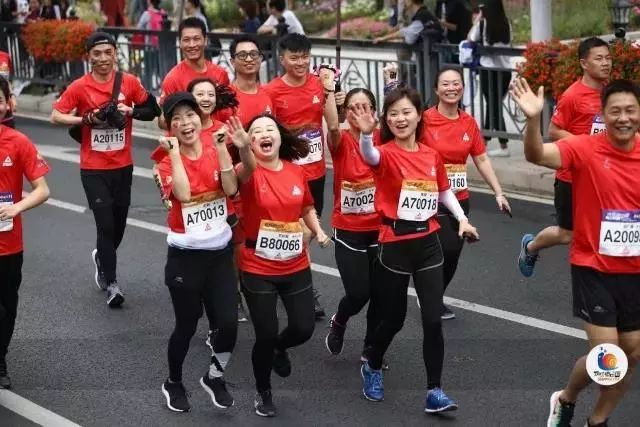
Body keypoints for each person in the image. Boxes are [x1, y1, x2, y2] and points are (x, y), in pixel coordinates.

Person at [510, 76, 640, 427]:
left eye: (631, 110)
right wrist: (533, 119)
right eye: (616, 111)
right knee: (609, 357)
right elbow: (536, 154)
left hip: (635, 273)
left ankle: (586, 412)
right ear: (604, 114)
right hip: (593, 267)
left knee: (630, 354)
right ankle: (577, 408)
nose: (623, 118)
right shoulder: (585, 148)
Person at [354, 87, 479, 412]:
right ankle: (373, 362)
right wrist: (367, 135)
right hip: (395, 245)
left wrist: (462, 219)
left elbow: (443, 192)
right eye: (393, 113)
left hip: (428, 243)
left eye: (406, 112)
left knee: (432, 320)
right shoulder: (385, 152)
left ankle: (434, 391)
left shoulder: (430, 154)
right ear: (386, 119)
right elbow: (370, 155)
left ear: (419, 115)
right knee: (393, 320)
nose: (400, 118)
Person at [225, 113, 330, 417]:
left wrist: (319, 230)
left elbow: (307, 206)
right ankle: (263, 391)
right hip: (257, 265)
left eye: (270, 129)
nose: (264, 135)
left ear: (280, 136)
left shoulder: (296, 172)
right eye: (256, 132)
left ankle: (279, 348)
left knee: (303, 328)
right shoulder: (246, 171)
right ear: (251, 142)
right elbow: (242, 170)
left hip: (294, 262)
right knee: (266, 331)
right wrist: (244, 148)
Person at [50, 32, 160, 307]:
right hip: (93, 168)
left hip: (123, 166)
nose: (102, 59)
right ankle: (112, 283)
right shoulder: (80, 86)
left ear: (115, 54)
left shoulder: (129, 82)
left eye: (107, 53)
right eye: (96, 54)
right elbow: (55, 115)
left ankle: (101, 256)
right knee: (106, 225)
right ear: (89, 56)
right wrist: (85, 118)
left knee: (119, 226)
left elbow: (153, 109)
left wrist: (130, 111)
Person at [155, 92, 250, 413]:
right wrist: (177, 153)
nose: (185, 123)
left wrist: (230, 148)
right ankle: (174, 381)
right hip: (185, 257)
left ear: (200, 118)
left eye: (190, 115)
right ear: (170, 127)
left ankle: (214, 376)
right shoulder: (166, 160)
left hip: (220, 254)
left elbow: (231, 188)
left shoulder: (215, 147)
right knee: (187, 324)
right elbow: (181, 193)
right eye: (177, 119)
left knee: (228, 324)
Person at [518, 37, 612, 278]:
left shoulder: (611, 93)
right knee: (567, 233)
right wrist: (586, 147)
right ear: (584, 63)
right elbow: (553, 131)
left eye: (608, 58)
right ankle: (530, 247)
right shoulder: (573, 95)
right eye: (599, 58)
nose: (605, 63)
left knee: (610, 225)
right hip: (572, 177)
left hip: (602, 176)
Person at [263, 33, 341, 319]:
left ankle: (284, 281)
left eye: (305, 57)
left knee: (304, 234)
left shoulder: (318, 84)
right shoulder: (272, 91)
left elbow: (333, 124)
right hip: (288, 174)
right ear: (282, 59)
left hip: (317, 172)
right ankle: (303, 290)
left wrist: (331, 90)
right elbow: (264, 131)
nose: (301, 62)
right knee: (301, 231)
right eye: (294, 57)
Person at [422, 67, 510, 319]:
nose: (451, 88)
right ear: (436, 90)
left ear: (462, 87)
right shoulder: (424, 120)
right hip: (430, 197)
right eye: (445, 84)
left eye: (456, 83)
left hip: (459, 199)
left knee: (453, 256)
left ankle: (434, 296)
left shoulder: (468, 122)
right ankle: (430, 298)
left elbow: (481, 159)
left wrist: (498, 192)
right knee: (444, 249)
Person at [324, 87, 384, 365]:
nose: (360, 112)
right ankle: (340, 320)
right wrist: (328, 93)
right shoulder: (341, 140)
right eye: (353, 107)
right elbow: (333, 126)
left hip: (381, 228)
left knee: (381, 294)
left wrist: (391, 86)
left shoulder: (383, 139)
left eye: (365, 107)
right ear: (346, 112)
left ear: (374, 111)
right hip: (349, 229)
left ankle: (372, 349)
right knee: (359, 293)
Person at [0, 76, 50, 390]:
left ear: (7, 104)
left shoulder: (17, 143)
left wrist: (16, 208)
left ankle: (0, 356)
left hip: (8, 245)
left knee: (7, 308)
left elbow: (42, 190)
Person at [159, 17, 230, 127]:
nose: (192, 45)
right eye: (186, 40)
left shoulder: (220, 74)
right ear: (180, 42)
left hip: (216, 140)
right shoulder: (172, 79)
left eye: (196, 39)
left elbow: (227, 113)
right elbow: (163, 121)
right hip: (187, 141)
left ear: (205, 40)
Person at [467, 0, 512, 157]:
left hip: (489, 71)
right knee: (493, 106)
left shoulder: (483, 24)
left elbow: (470, 38)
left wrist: (477, 20)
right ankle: (485, 142)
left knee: (493, 106)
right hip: (505, 71)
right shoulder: (506, 23)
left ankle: (502, 144)